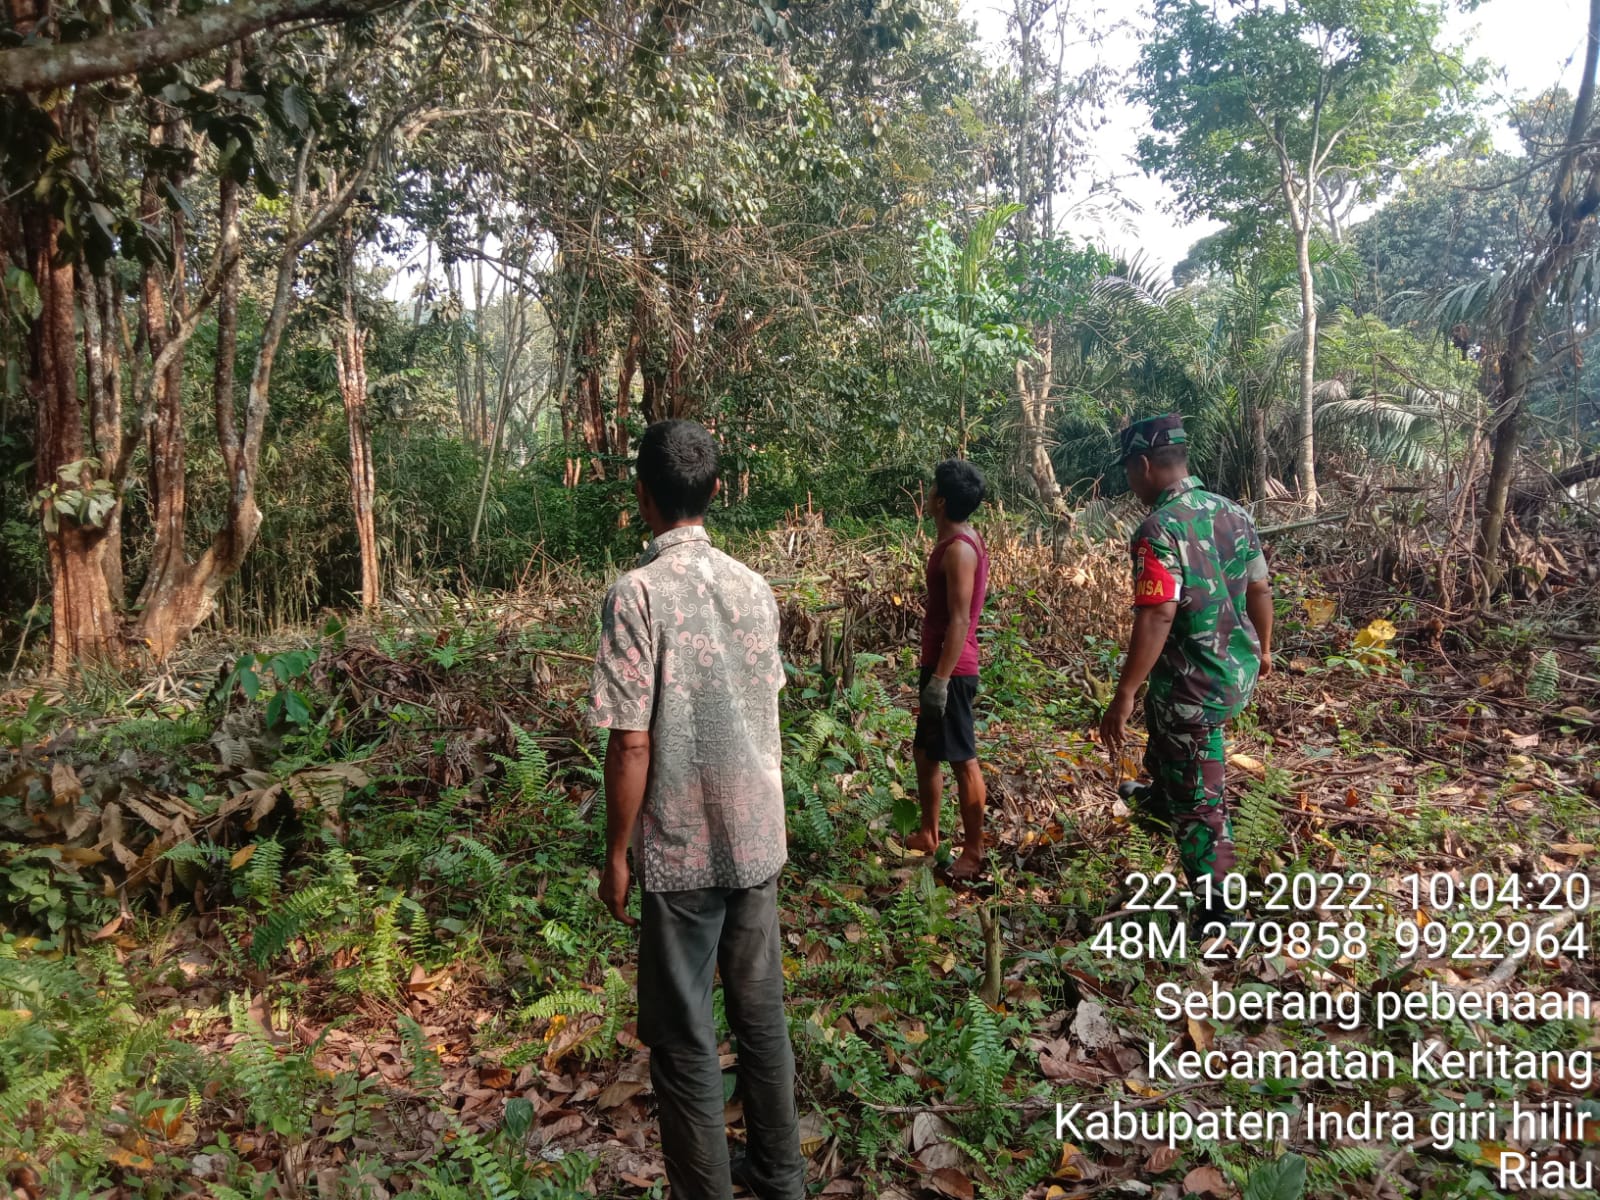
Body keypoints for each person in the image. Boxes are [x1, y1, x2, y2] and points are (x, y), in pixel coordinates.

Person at [588, 420, 804, 1200]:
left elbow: (632, 745)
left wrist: (617, 852)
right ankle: (782, 1179)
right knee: (761, 1020)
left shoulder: (636, 594)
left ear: (642, 495)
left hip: (679, 850)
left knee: (683, 1040)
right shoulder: (755, 587)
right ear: (715, 492)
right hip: (755, 839)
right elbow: (759, 702)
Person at [1098, 414, 1274, 930]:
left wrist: (1124, 692)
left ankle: (1222, 911)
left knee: (1201, 802)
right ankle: (1158, 796)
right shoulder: (1233, 513)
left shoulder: (1158, 528)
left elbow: (1158, 612)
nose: (1130, 481)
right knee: (1168, 731)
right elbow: (1261, 588)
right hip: (1231, 673)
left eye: (1130, 470)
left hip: (1193, 687)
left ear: (1145, 465)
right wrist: (1264, 650)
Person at [906, 458, 991, 882]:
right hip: (940, 667)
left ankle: (974, 853)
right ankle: (929, 832)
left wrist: (940, 680)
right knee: (925, 753)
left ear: (939, 501)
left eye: (931, 488)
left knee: (963, 759)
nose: (926, 493)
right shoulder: (957, 539)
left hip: (952, 671)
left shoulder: (959, 550)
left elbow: (960, 620)